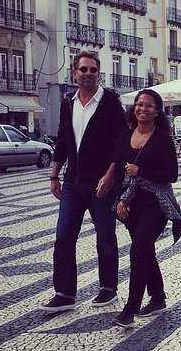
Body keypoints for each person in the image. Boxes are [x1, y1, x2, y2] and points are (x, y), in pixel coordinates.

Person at [40, 51, 127, 313]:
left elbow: (120, 143)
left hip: (101, 182)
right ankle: (64, 293)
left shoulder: (110, 101)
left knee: (105, 237)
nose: (88, 74)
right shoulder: (68, 102)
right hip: (72, 183)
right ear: (74, 73)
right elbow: (63, 140)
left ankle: (108, 288)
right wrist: (55, 175)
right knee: (64, 236)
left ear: (98, 73)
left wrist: (110, 175)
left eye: (93, 70)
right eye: (84, 69)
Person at [111, 89, 181, 328]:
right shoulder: (125, 136)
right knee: (146, 252)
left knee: (138, 253)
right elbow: (116, 171)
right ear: (134, 108)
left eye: (149, 105)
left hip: (156, 204)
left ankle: (130, 309)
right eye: (139, 104)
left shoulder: (162, 139)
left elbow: (171, 175)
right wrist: (120, 201)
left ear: (157, 111)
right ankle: (158, 297)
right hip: (131, 204)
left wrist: (140, 171)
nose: (143, 109)